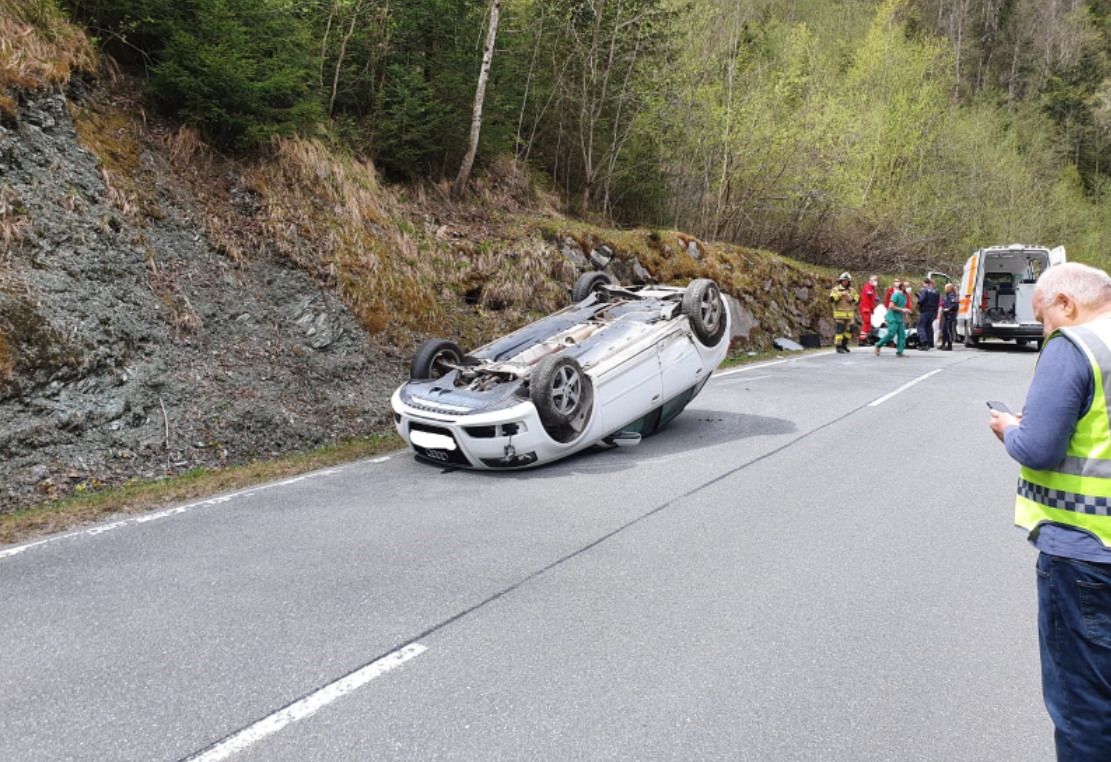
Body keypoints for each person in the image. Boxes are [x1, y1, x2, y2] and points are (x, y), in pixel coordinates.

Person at [988, 262, 1111, 760]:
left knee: (1085, 709)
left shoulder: (1076, 346)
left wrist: (1009, 429)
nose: (1043, 331)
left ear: (1066, 303)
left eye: (1043, 319)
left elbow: (1038, 448)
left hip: (1085, 555)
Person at [874, 281, 910, 356]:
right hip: (893, 317)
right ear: (902, 287)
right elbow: (891, 306)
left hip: (900, 318)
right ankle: (878, 345)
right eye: (907, 286)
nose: (909, 288)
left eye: (909, 286)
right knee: (891, 334)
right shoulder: (896, 295)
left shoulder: (905, 296)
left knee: (902, 335)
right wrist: (902, 310)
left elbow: (903, 307)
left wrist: (905, 314)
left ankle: (900, 352)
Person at [830, 272, 858, 353]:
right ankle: (838, 346)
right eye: (843, 280)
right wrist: (840, 294)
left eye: (847, 281)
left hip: (849, 315)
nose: (845, 282)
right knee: (840, 330)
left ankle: (844, 344)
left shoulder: (851, 290)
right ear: (841, 281)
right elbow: (831, 299)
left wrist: (852, 299)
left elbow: (858, 298)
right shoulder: (836, 289)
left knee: (851, 329)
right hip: (839, 314)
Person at [916, 277, 940, 350]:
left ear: (924, 283)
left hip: (925, 310)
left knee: (920, 326)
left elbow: (922, 300)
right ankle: (930, 343)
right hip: (933, 311)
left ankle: (924, 342)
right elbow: (938, 302)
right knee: (929, 327)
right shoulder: (936, 291)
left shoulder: (925, 290)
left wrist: (918, 302)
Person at [859, 275, 879, 343]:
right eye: (875, 280)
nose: (876, 281)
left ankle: (864, 338)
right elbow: (867, 291)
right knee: (866, 323)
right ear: (871, 280)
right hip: (866, 308)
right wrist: (869, 293)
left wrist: (875, 298)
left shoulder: (872, 288)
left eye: (877, 280)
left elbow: (871, 297)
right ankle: (862, 339)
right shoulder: (868, 286)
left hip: (868, 308)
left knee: (868, 324)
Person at [940, 282, 958, 350]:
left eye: (945, 288)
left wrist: (949, 309)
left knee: (948, 330)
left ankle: (949, 346)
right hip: (947, 315)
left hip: (950, 315)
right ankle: (944, 344)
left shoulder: (951, 295)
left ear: (949, 288)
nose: (944, 289)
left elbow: (955, 305)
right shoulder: (948, 295)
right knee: (944, 330)